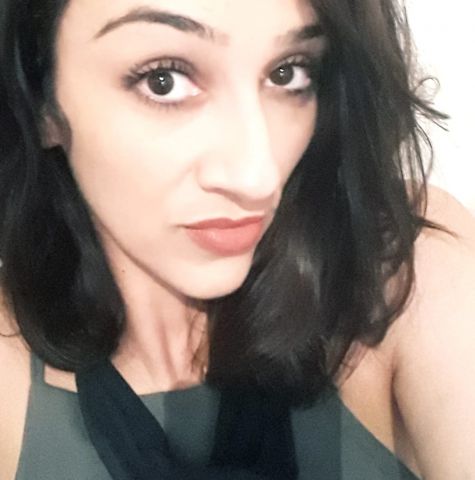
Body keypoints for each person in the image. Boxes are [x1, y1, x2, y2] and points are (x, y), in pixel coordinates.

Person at [1, 0, 475, 478]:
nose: (257, 177)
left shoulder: (403, 263)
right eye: (164, 80)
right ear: (42, 100)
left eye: (289, 73)